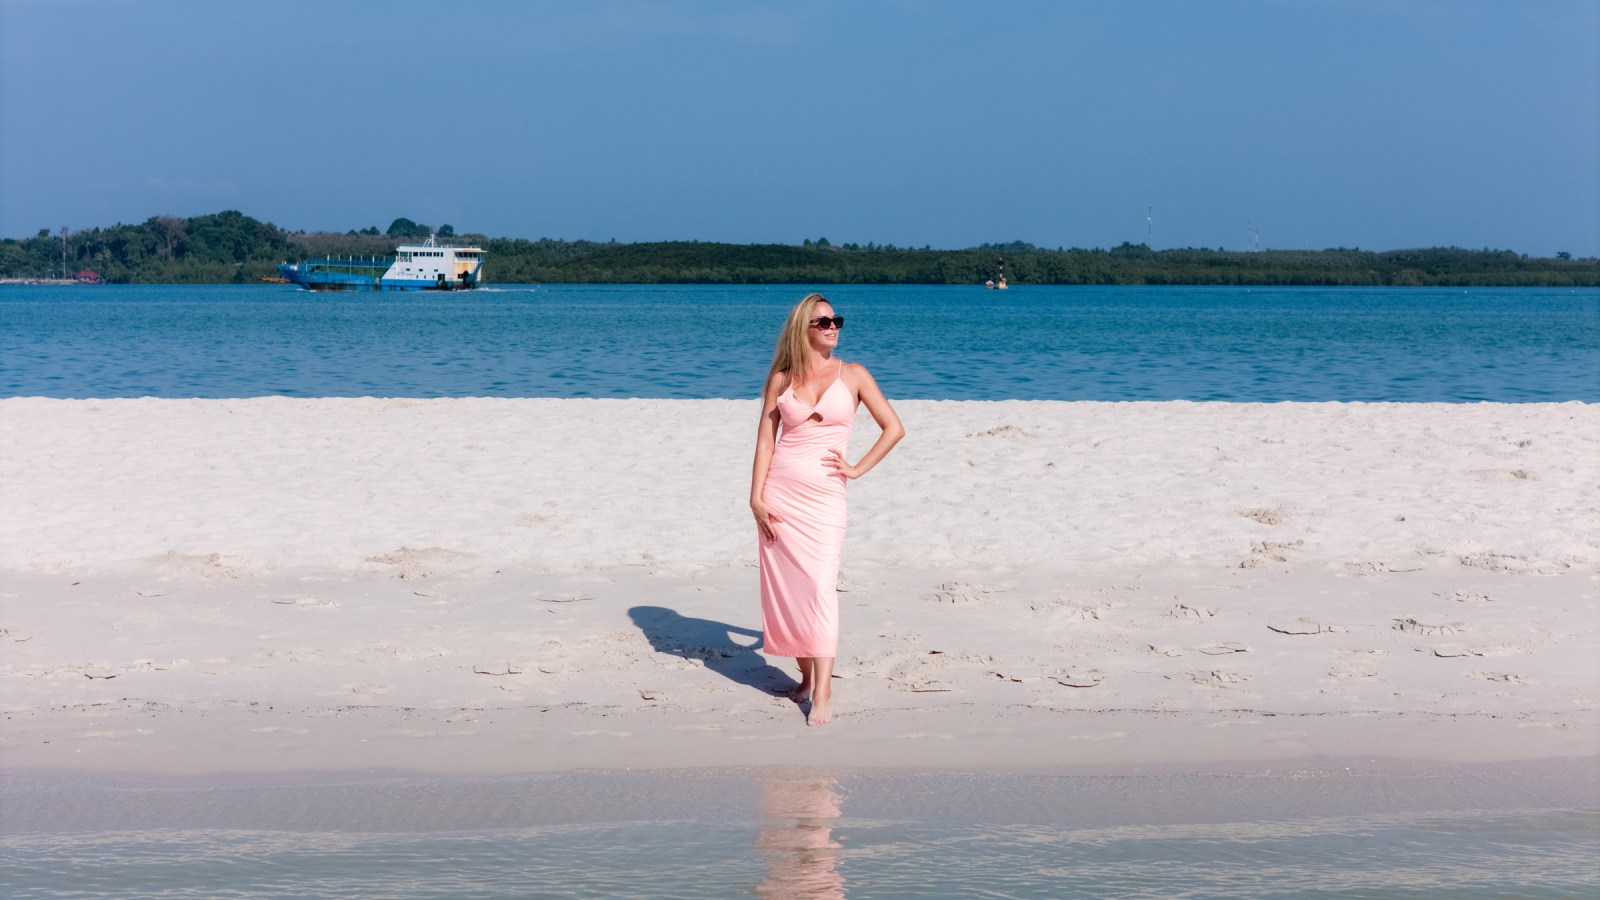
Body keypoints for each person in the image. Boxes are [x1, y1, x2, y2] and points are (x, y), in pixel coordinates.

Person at [750, 293, 904, 726]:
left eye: (837, 320)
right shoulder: (781, 379)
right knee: (788, 593)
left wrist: (856, 469)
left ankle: (823, 689)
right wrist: (755, 496)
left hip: (825, 501)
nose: (833, 326)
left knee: (819, 588)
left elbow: (894, 428)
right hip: (780, 496)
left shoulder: (853, 374)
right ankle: (803, 676)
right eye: (823, 322)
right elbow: (765, 440)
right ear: (804, 329)